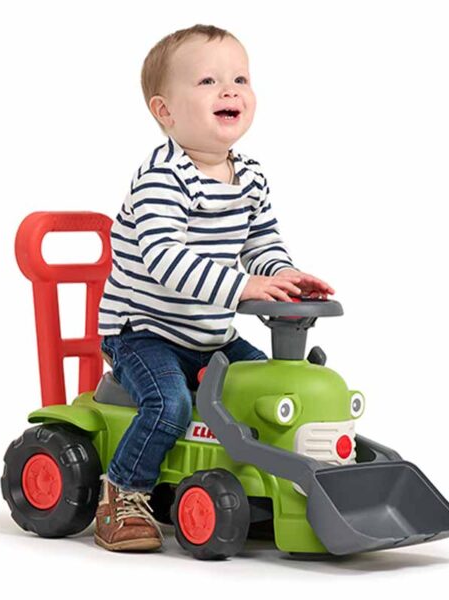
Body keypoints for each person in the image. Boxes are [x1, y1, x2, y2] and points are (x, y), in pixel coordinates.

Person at [95, 24, 335, 552]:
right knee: (170, 405)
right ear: (165, 112)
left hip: (207, 332)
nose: (229, 90)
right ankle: (123, 493)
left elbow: (261, 240)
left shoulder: (249, 176)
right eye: (208, 81)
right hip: (144, 331)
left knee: (272, 388)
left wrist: (283, 273)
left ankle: (277, 486)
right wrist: (242, 284)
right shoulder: (163, 177)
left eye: (239, 78)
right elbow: (164, 259)